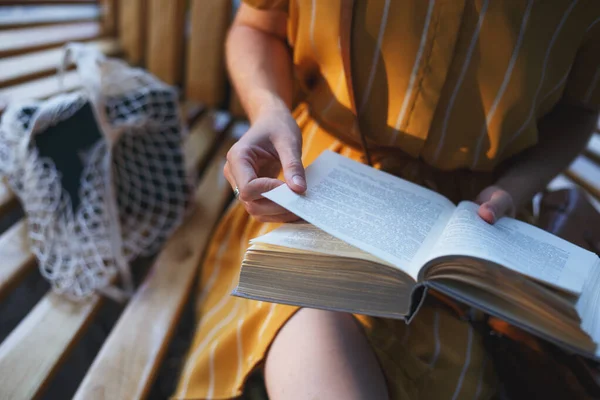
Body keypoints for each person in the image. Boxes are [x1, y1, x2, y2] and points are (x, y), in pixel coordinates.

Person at [173, 1, 600, 399]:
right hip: (315, 176)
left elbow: (580, 107)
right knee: (305, 310)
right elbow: (256, 26)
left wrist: (516, 188)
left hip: (473, 222)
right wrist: (269, 111)